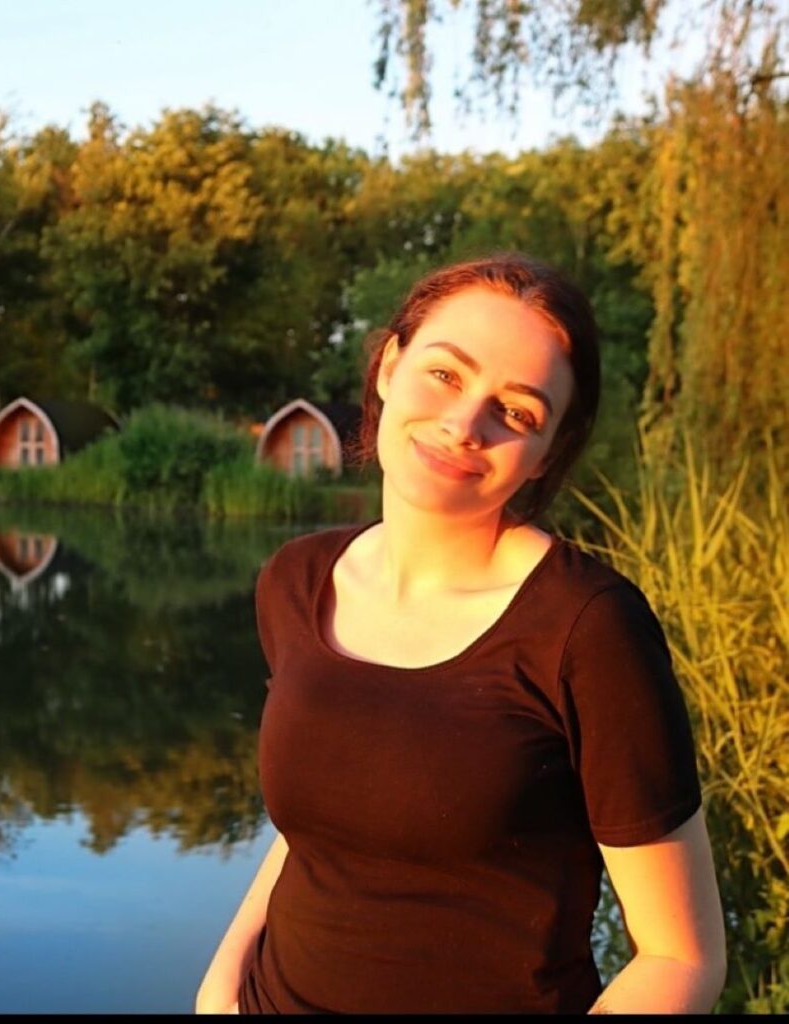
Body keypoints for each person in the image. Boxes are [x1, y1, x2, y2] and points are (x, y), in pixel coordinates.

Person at [195, 253, 726, 1015]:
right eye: (446, 374)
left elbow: (681, 957)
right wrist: (221, 987)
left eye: (516, 412)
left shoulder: (587, 628)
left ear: (548, 455)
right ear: (388, 365)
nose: (463, 423)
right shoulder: (296, 581)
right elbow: (315, 834)